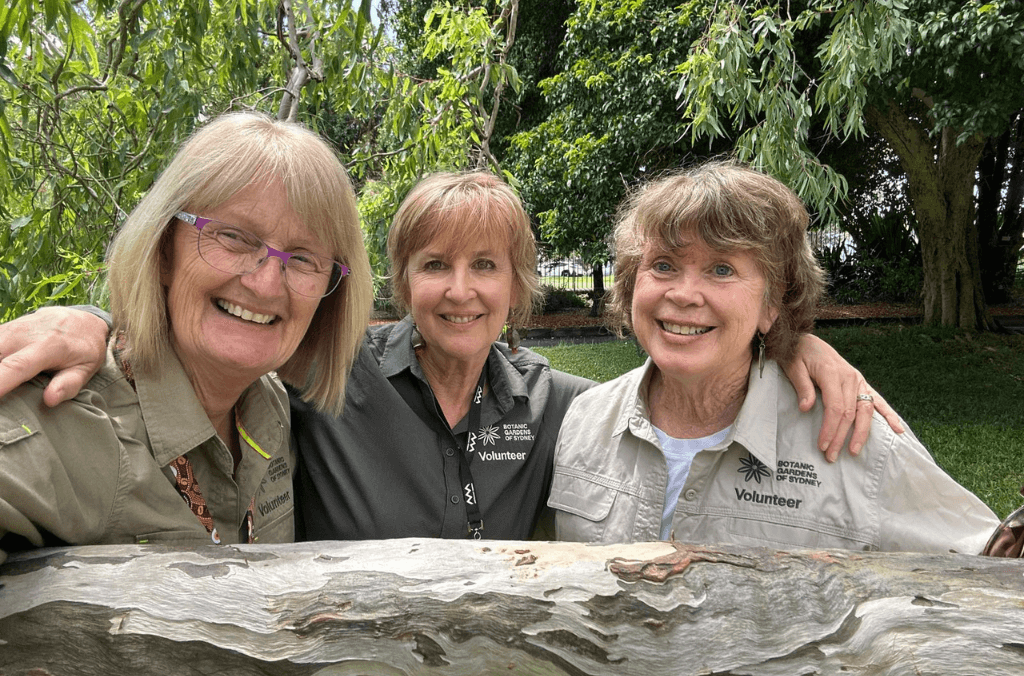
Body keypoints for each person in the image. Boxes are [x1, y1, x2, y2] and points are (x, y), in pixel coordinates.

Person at [0, 172, 894, 542]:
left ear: (518, 287)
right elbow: (228, 329)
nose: (460, 291)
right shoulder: (324, 373)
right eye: (434, 266)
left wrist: (794, 342)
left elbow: (673, 383)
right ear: (400, 281)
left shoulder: (562, 407)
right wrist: (103, 323)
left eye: (485, 267)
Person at [548, 160, 1000, 553]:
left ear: (771, 302)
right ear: (631, 283)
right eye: (664, 264)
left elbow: (986, 566)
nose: (684, 294)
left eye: (721, 269)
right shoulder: (582, 422)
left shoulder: (852, 439)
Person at [0, 112, 373, 563]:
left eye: (303, 259)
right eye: (234, 238)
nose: (267, 284)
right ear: (162, 251)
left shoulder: (273, 408)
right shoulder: (68, 419)